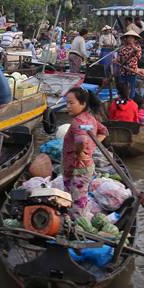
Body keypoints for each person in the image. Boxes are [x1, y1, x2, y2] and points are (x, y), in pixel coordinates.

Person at [62, 87, 108, 217]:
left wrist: (81, 152)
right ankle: (72, 219)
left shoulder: (78, 122)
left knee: (77, 202)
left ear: (83, 104)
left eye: (71, 103)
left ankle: (77, 227)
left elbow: (81, 139)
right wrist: (92, 147)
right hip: (83, 167)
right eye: (67, 103)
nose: (68, 106)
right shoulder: (89, 119)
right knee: (76, 197)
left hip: (77, 168)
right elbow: (104, 131)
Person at [115, 29, 144, 99]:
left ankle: (131, 101)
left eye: (131, 38)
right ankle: (123, 99)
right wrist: (116, 60)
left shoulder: (138, 47)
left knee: (131, 87)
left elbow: (138, 56)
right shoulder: (123, 48)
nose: (130, 39)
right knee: (122, 87)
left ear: (135, 39)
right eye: (128, 37)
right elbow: (119, 58)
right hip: (123, 71)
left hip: (132, 71)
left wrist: (133, 47)